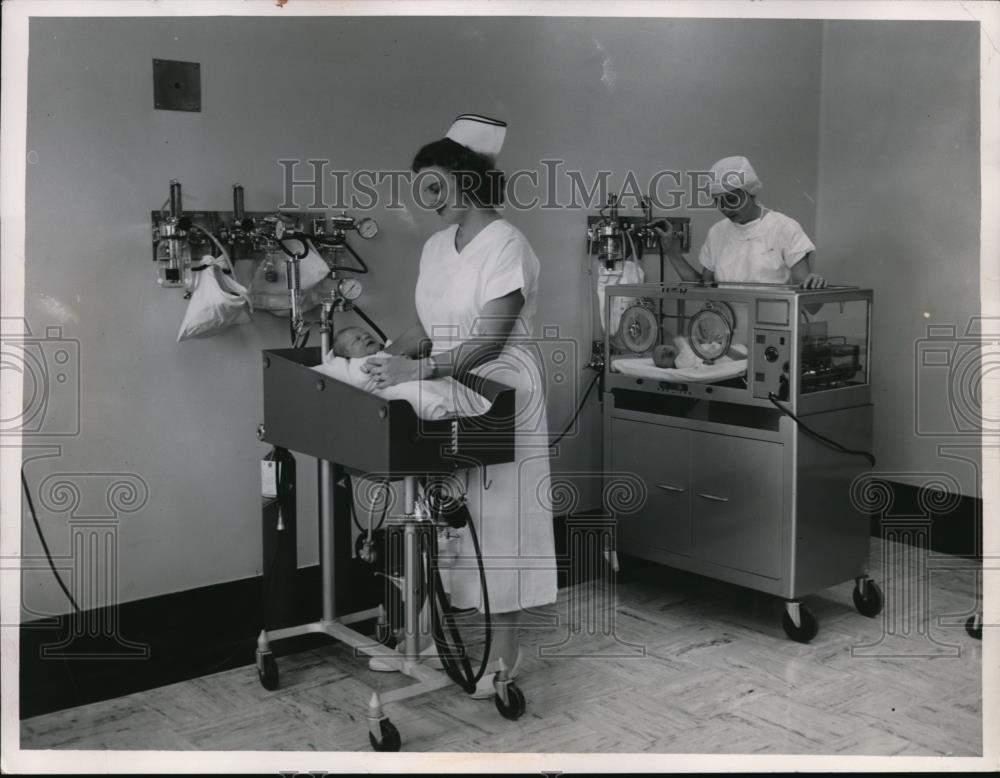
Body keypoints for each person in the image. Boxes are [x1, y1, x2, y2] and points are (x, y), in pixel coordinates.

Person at [361, 114, 557, 697]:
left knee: (499, 524)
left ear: (468, 182)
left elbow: (486, 342)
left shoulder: (508, 245)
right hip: (442, 391)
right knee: (432, 515)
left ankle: (504, 654)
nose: (427, 199)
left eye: (436, 185)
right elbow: (430, 329)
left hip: (499, 391)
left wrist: (417, 368)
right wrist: (381, 356)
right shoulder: (435, 247)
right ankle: (419, 636)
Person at [658, 155, 827, 288]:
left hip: (772, 327)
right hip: (723, 327)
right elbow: (704, 288)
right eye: (718, 201)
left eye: (731, 199)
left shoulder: (784, 228)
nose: (725, 207)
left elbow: (811, 305)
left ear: (749, 191)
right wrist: (672, 252)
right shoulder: (718, 232)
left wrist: (813, 286)